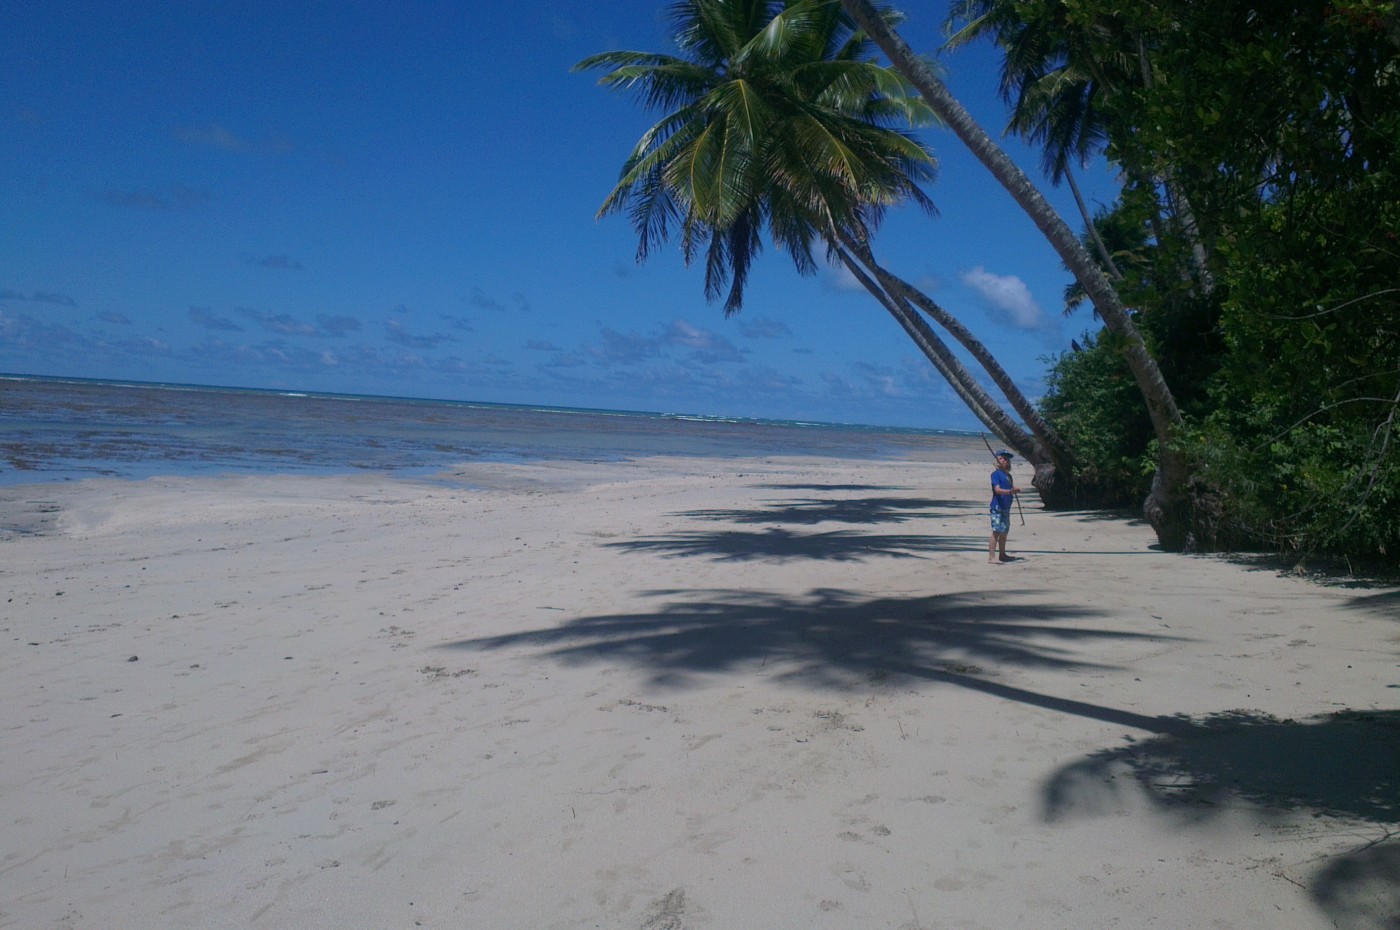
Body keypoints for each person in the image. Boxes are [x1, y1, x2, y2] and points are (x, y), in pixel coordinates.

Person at [988, 450, 1021, 564]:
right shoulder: (995, 474)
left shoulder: (1008, 476)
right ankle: (991, 557)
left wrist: (1013, 491)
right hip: (997, 506)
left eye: (1006, 459)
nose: (1004, 460)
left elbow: (1009, 489)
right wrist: (1010, 491)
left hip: (1006, 507)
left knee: (1004, 531)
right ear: (997, 460)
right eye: (1002, 458)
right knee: (996, 531)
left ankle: (1002, 554)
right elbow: (997, 490)